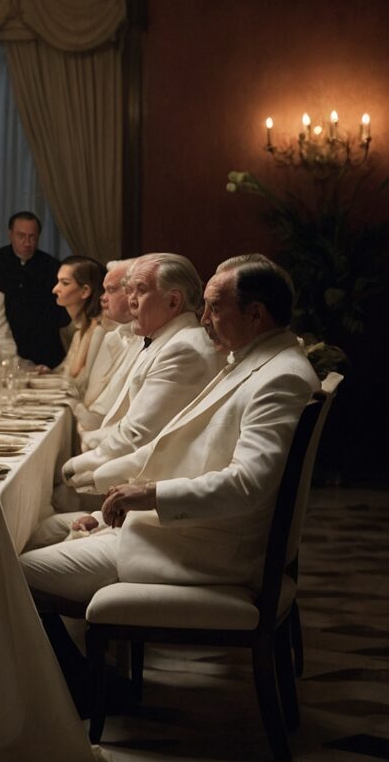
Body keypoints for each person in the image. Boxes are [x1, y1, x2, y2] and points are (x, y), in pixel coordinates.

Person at [20, 254, 319, 605]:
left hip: (206, 548)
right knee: (35, 532)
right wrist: (127, 491)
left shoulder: (281, 377)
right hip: (179, 528)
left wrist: (150, 496)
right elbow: (171, 441)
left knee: (17, 568)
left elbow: (248, 484)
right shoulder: (252, 360)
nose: (203, 320)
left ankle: (69, 660)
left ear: (255, 314)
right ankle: (78, 653)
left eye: (215, 309)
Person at [61, 253, 222, 491]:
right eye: (129, 291)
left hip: (152, 485)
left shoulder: (183, 349)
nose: (131, 301)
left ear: (174, 301)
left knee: (44, 521)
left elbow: (138, 436)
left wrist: (73, 463)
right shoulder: (165, 339)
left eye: (141, 290)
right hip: (129, 470)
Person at [0, 211, 69, 367]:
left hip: (43, 350)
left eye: (32, 237)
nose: (27, 242)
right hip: (0, 347)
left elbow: (61, 313)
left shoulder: (53, 268)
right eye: (21, 236)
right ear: (10, 234)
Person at [73, 257, 139, 433]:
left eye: (110, 290)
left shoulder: (146, 342)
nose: (102, 298)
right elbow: (91, 399)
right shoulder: (111, 337)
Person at [49, 255, 106, 396]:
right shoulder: (79, 330)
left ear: (85, 291)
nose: (55, 289)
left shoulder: (98, 331)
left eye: (65, 283)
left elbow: (85, 387)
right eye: (58, 282)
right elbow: (64, 373)